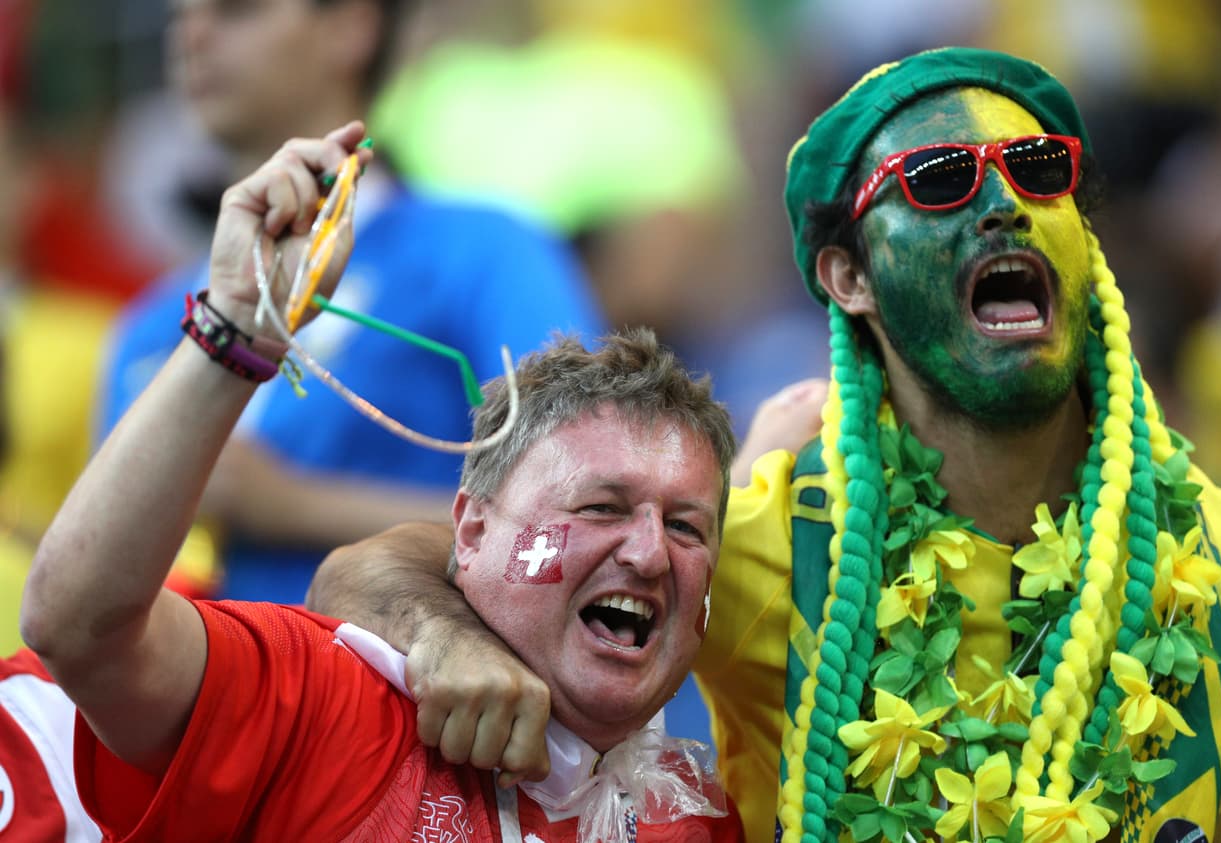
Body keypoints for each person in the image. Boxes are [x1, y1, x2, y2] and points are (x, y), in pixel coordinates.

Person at [312, 47, 1221, 842]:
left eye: (1037, 171)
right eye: (941, 182)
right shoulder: (745, 543)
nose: (1005, 205)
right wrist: (443, 636)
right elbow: (368, 572)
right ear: (846, 278)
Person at [19, 123, 743, 840]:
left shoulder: (694, 819)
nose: (650, 553)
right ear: (472, 528)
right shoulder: (330, 701)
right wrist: (237, 327)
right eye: (601, 506)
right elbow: (80, 628)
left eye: (686, 525)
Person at [99, 0, 605, 603]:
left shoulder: (483, 253)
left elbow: (591, 519)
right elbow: (96, 602)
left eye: (236, 10)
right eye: (178, 14)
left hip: (418, 686)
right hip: (200, 692)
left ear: (351, 25)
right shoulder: (152, 327)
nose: (190, 36)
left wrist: (291, 504)